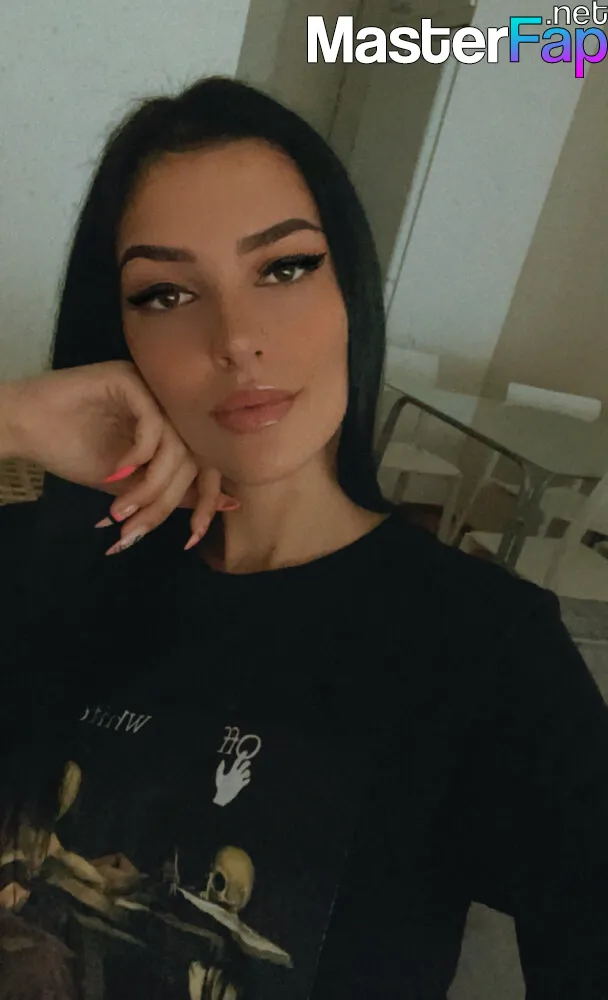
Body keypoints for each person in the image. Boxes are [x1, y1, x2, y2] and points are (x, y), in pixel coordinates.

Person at [1, 75, 607, 1000]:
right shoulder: (44, 562)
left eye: (284, 268)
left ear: (350, 291)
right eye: (165, 292)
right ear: (117, 332)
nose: (237, 338)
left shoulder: (486, 651)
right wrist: (7, 418)